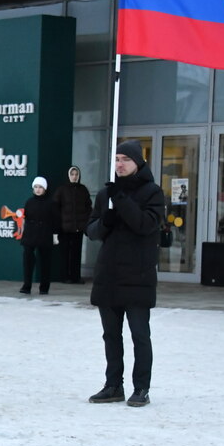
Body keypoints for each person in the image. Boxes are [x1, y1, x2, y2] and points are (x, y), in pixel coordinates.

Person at [85, 140, 165, 408]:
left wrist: (121, 200)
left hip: (138, 276)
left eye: (125, 159)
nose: (120, 164)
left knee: (139, 335)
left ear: (138, 162)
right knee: (111, 335)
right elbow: (91, 230)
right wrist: (104, 222)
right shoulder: (105, 194)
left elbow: (144, 225)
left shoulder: (152, 193)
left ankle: (141, 387)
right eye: (117, 159)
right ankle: (113, 385)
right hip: (109, 274)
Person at [19, 176, 58, 295]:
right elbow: (25, 218)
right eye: (35, 187)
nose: (38, 189)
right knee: (28, 260)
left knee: (45, 262)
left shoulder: (51, 203)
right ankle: (26, 286)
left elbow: (55, 220)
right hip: (30, 234)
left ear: (45, 188)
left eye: (40, 187)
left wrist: (55, 235)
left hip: (45, 234)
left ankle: (44, 287)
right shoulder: (29, 202)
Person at [54, 166, 92, 284]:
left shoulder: (83, 190)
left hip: (78, 227)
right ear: (68, 176)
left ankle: (76, 276)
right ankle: (65, 276)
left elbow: (88, 207)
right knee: (65, 253)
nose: (74, 177)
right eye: (72, 174)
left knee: (76, 253)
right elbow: (55, 208)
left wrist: (86, 223)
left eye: (76, 174)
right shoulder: (61, 190)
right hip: (65, 228)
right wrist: (59, 224)